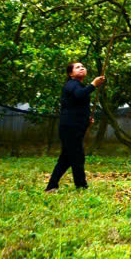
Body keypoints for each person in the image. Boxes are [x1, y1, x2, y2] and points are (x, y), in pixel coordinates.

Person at [45, 62, 106, 191]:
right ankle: (81, 186)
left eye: (83, 66)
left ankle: (51, 186)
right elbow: (79, 95)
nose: (82, 68)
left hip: (74, 126)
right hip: (69, 128)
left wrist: (86, 118)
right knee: (77, 157)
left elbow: (76, 105)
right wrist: (93, 84)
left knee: (66, 159)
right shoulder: (72, 84)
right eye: (77, 67)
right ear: (70, 73)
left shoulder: (78, 85)